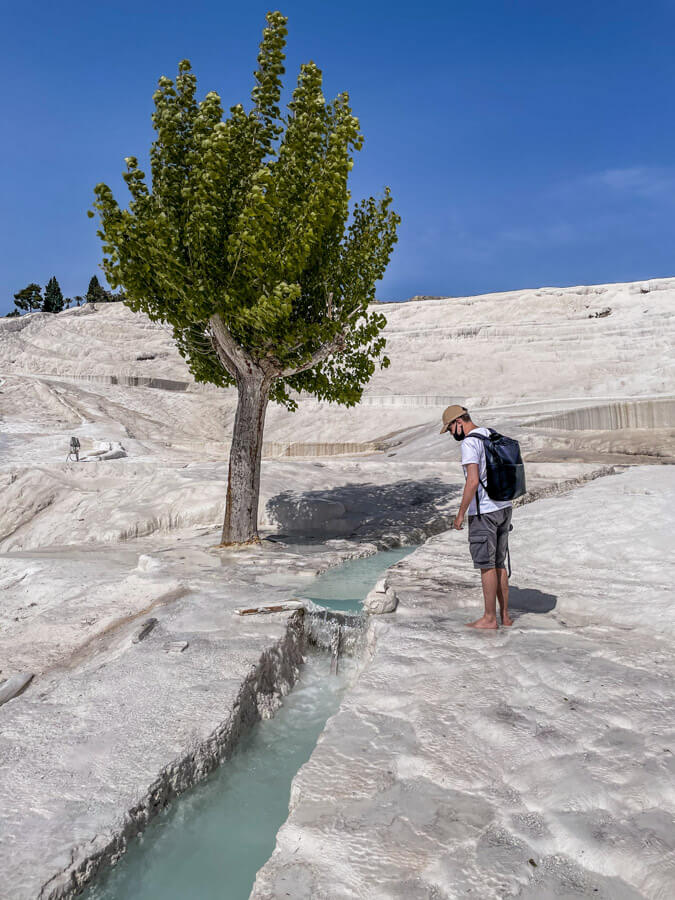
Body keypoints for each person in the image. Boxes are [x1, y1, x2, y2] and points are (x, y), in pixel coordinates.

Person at [440, 405, 513, 629]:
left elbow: (472, 481)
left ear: (458, 422)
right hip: (504, 507)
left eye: (451, 429)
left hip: (484, 512)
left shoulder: (470, 442)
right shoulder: (490, 434)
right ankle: (505, 617)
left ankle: (489, 618)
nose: (452, 434)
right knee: (499, 562)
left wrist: (460, 514)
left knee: (486, 564)